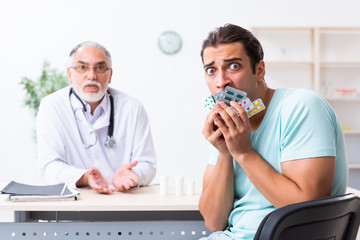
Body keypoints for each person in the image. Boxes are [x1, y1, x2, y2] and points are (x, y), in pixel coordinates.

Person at [198, 24, 348, 239]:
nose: (221, 82)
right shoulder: (227, 129)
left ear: (259, 70)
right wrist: (225, 153)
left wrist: (243, 153)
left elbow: (307, 212)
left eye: (233, 66)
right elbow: (213, 222)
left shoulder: (302, 106)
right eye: (211, 70)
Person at [36, 41, 156, 194]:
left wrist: (133, 175)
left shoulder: (132, 108)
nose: (91, 76)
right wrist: (84, 177)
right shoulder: (52, 107)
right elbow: (49, 167)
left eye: (100, 68)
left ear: (110, 74)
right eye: (82, 67)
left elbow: (147, 164)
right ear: (69, 74)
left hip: (123, 199)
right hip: (75, 202)